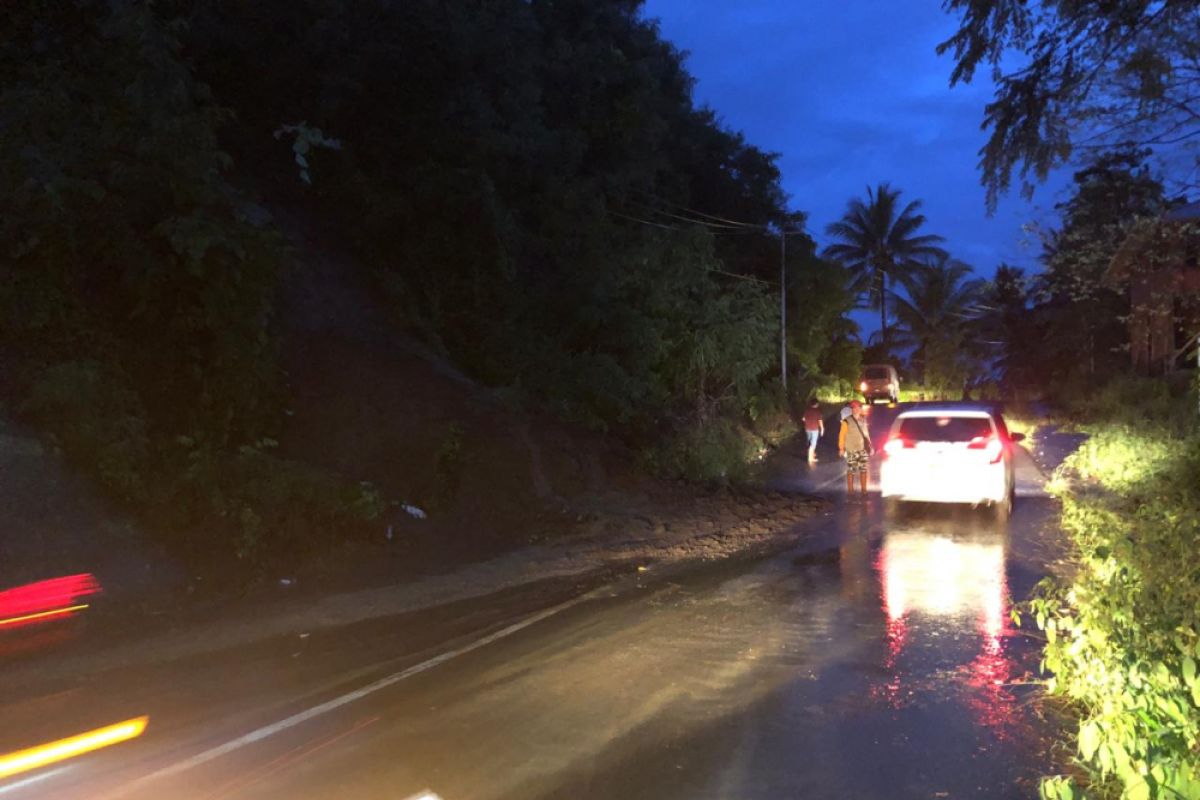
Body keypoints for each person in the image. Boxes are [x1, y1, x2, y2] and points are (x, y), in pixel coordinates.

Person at [838, 400, 872, 497]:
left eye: (859, 408)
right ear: (853, 409)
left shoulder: (863, 420)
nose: (858, 409)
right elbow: (842, 436)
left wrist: (870, 445)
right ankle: (850, 491)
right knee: (851, 470)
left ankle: (864, 491)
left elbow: (866, 434)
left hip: (862, 449)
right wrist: (841, 448)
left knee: (863, 469)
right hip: (851, 449)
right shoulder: (846, 421)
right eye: (856, 408)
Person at [802, 399, 824, 464]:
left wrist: (808, 421)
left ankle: (812, 453)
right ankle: (810, 458)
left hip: (807, 428)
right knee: (813, 443)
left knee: (809, 441)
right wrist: (822, 428)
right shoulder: (818, 412)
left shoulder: (807, 410)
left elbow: (803, 419)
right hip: (814, 429)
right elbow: (820, 421)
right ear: (817, 404)